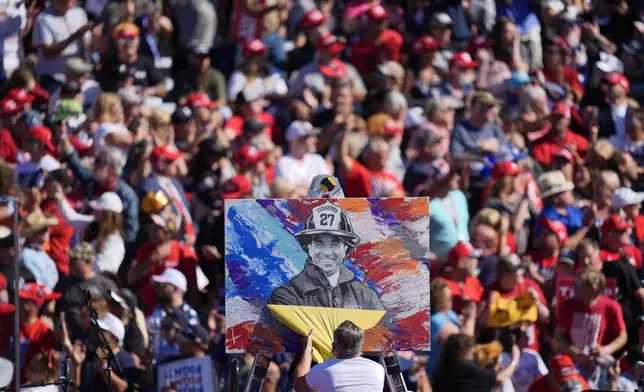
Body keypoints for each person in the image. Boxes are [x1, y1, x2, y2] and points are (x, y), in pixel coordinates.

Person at [269, 201, 384, 310]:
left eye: (334, 244)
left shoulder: (367, 297)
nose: (327, 252)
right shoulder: (286, 296)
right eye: (319, 244)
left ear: (345, 249)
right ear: (309, 248)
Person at [555, 269, 628, 387]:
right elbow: (559, 335)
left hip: (598, 365)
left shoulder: (610, 307)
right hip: (572, 363)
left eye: (580, 284)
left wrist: (605, 350)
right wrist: (574, 352)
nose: (575, 286)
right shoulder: (567, 305)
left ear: (592, 289)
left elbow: (623, 336)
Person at [294, 321, 385, 392]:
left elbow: (299, 387)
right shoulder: (378, 369)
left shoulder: (324, 370)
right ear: (360, 346)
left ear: (333, 347)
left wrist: (307, 350)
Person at [432, 333, 520, 392]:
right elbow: (499, 379)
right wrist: (515, 360)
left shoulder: (440, 367)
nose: (472, 356)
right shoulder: (466, 368)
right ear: (463, 350)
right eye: (470, 352)